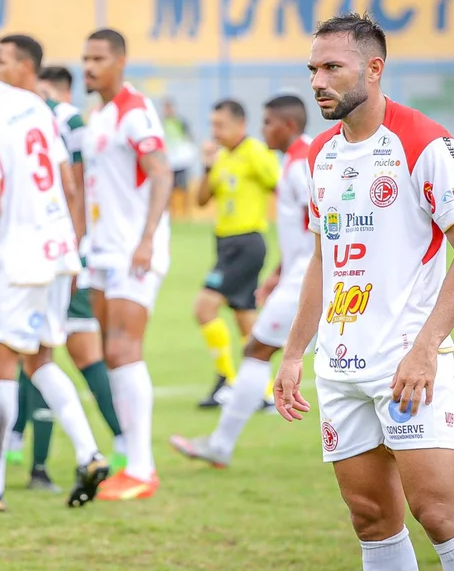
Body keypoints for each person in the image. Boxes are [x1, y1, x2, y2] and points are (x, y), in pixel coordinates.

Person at [273, 13, 454, 570]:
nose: (318, 81)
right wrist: (295, 352)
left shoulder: (424, 142)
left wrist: (426, 347)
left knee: (439, 514)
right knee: (371, 519)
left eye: (332, 68)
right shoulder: (321, 155)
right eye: (312, 69)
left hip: (406, 362)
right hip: (340, 367)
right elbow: (323, 258)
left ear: (374, 69)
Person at [0, 24, 109, 511]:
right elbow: (69, 186)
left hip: (16, 259)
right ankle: (90, 453)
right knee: (38, 360)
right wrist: (71, 247)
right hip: (58, 249)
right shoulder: (35, 104)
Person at [0, 35, 127, 491]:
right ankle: (72, 452)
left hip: (55, 253)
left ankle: (44, 458)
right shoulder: (59, 117)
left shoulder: (59, 118)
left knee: (51, 353)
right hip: (65, 251)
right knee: (52, 354)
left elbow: (77, 186)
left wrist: (75, 243)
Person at [169, 94, 313, 467]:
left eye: (268, 123)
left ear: (288, 126)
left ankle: (224, 430)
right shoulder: (297, 159)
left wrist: (295, 271)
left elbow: (324, 226)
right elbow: (304, 227)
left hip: (302, 273)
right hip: (289, 269)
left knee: (255, 348)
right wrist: (280, 272)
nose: (262, 129)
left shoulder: (295, 167)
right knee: (255, 337)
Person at [81, 28, 173, 500]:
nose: (88, 67)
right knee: (109, 352)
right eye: (85, 58)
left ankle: (143, 468)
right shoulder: (98, 116)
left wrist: (146, 239)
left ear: (120, 61)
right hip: (102, 252)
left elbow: (161, 172)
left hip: (132, 251)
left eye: (97, 58)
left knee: (123, 350)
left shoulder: (135, 112)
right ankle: (130, 459)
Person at [193, 99, 281, 408]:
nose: (215, 132)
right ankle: (266, 393)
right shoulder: (222, 157)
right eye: (212, 125)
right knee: (246, 320)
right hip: (226, 243)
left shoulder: (255, 152)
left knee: (204, 308)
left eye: (221, 125)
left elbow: (281, 185)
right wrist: (206, 166)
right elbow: (202, 199)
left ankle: (228, 380)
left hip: (246, 243)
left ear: (240, 125)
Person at [161, 98, 196, 218]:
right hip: (169, 161)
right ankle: (171, 213)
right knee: (168, 188)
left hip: (181, 160)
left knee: (184, 187)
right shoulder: (162, 123)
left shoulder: (180, 122)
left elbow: (189, 138)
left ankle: (187, 213)